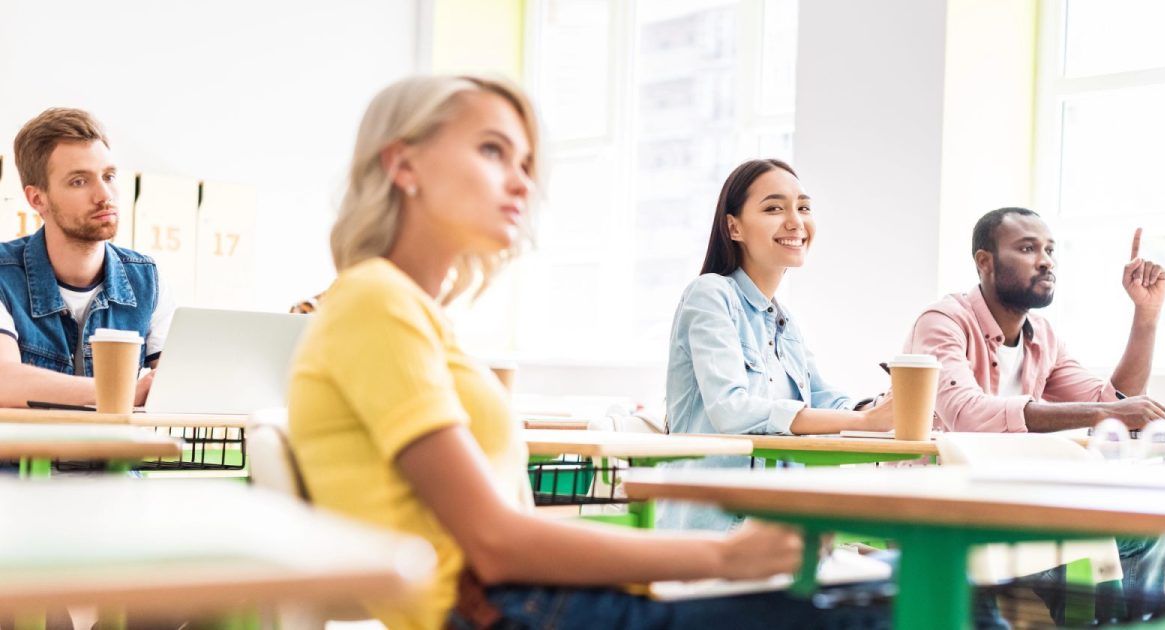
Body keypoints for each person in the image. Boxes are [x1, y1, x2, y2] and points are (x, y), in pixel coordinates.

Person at [287, 76, 890, 630]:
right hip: (503, 611)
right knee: (885, 610)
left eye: (525, 162)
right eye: (494, 151)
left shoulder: (414, 313)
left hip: (531, 600)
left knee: (883, 597)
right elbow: (495, 544)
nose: (523, 181)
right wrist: (726, 556)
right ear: (403, 163)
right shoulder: (375, 301)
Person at [902, 206, 1165, 622]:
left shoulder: (1042, 337)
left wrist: (1146, 315)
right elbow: (966, 415)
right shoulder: (943, 321)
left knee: (1143, 531)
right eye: (1028, 248)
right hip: (951, 508)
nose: (1045, 260)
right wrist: (1106, 410)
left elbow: (1113, 400)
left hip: (1018, 502)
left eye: (1049, 249)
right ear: (984, 262)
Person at [659, 158, 893, 532]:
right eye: (774, 208)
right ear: (733, 227)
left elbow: (824, 399)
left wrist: (880, 408)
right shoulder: (710, 295)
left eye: (803, 207)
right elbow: (731, 411)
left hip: (772, 530)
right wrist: (864, 421)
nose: (796, 222)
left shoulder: (784, 322)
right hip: (706, 532)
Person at [0, 108, 167, 409]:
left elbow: (175, 383)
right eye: (79, 181)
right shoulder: (3, 274)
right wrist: (121, 392)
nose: (105, 195)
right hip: (25, 457)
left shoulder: (148, 280)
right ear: (37, 199)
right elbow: (4, 380)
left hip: (116, 457)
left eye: (109, 176)